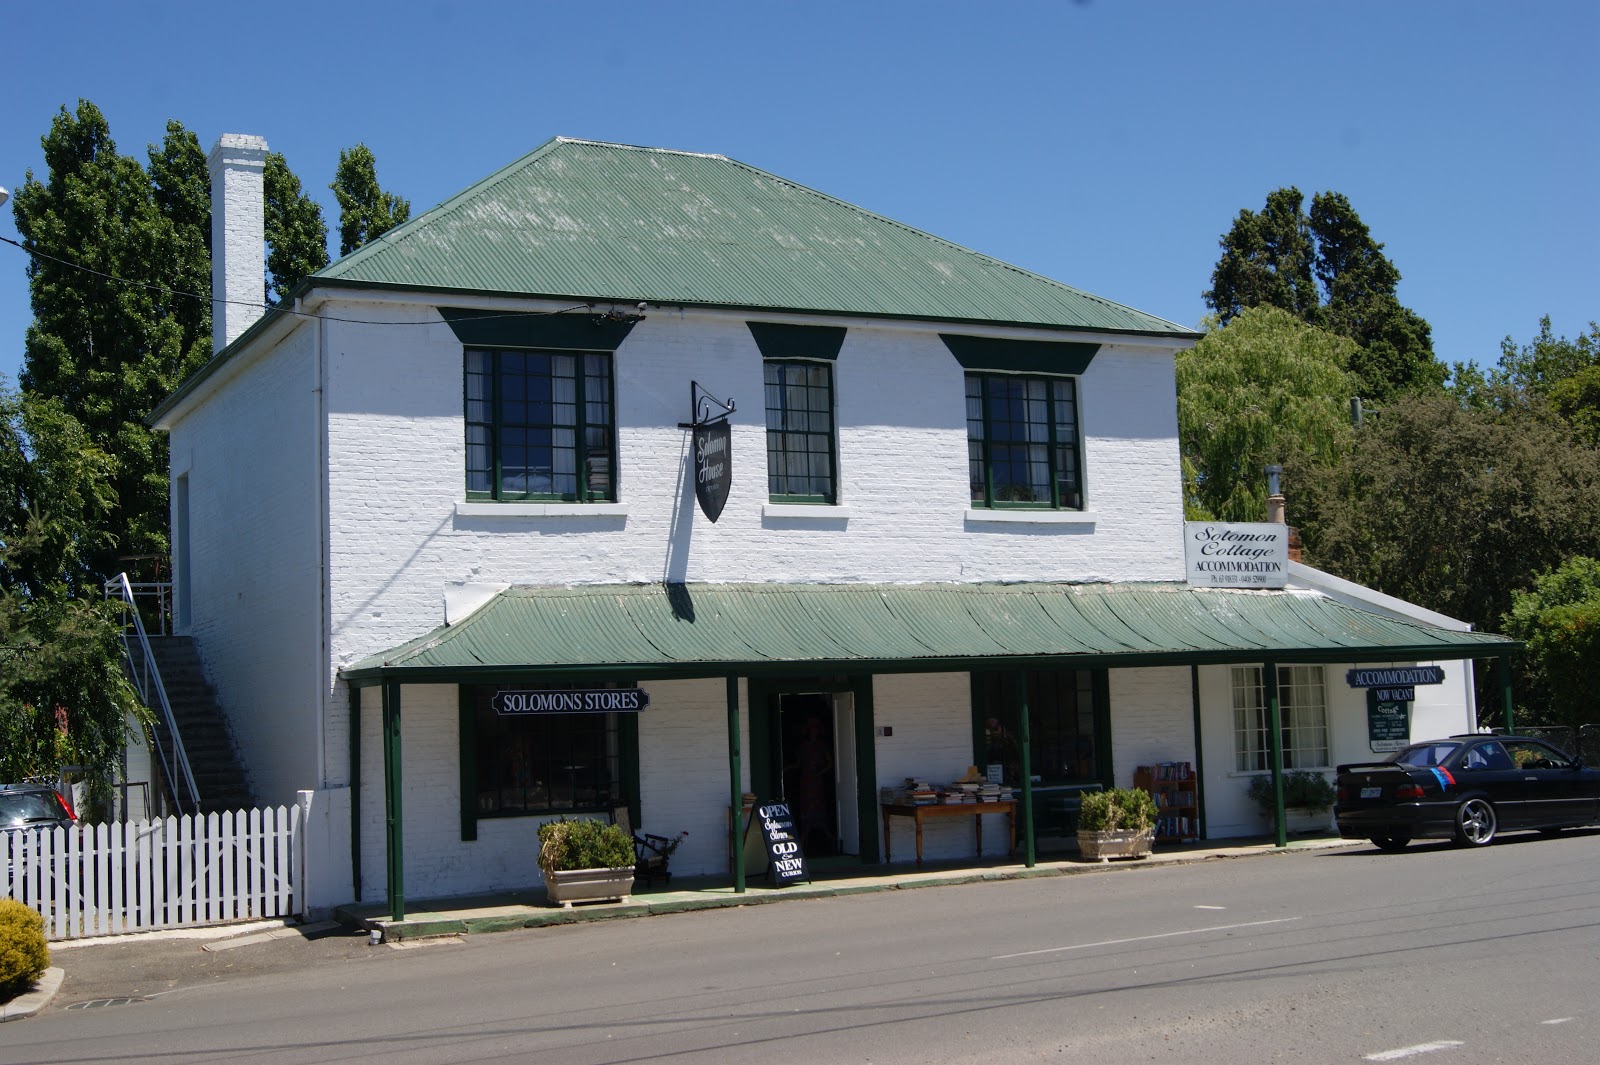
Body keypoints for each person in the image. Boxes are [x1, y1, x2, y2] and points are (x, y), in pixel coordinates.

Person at [790, 715, 835, 853]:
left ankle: (831, 841)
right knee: (806, 808)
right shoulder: (803, 746)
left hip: (816, 781)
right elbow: (798, 764)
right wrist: (786, 768)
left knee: (818, 808)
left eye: (815, 729)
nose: (812, 731)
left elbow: (830, 763)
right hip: (805, 781)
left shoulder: (822, 745)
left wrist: (819, 773)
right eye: (810, 729)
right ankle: (803, 841)